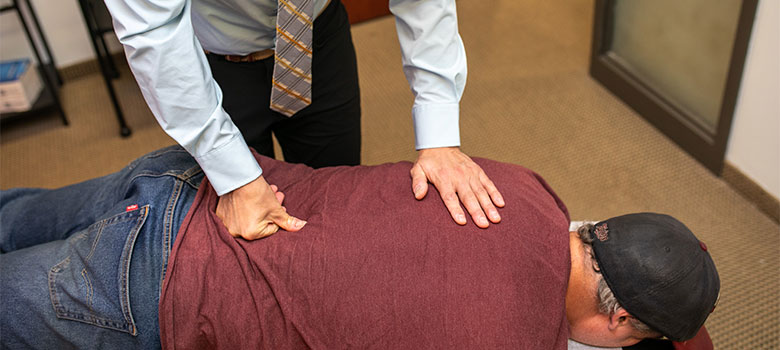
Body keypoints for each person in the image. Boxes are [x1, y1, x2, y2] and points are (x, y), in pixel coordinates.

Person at [0, 146, 719, 349]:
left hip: (193, 174)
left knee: (16, 216)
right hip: (149, 286)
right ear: (619, 323)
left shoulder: (526, 190)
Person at [102, 0, 505, 240]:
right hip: (208, 65)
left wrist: (439, 134)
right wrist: (234, 176)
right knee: (248, 233)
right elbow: (152, 31)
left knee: (341, 202)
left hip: (317, 36)